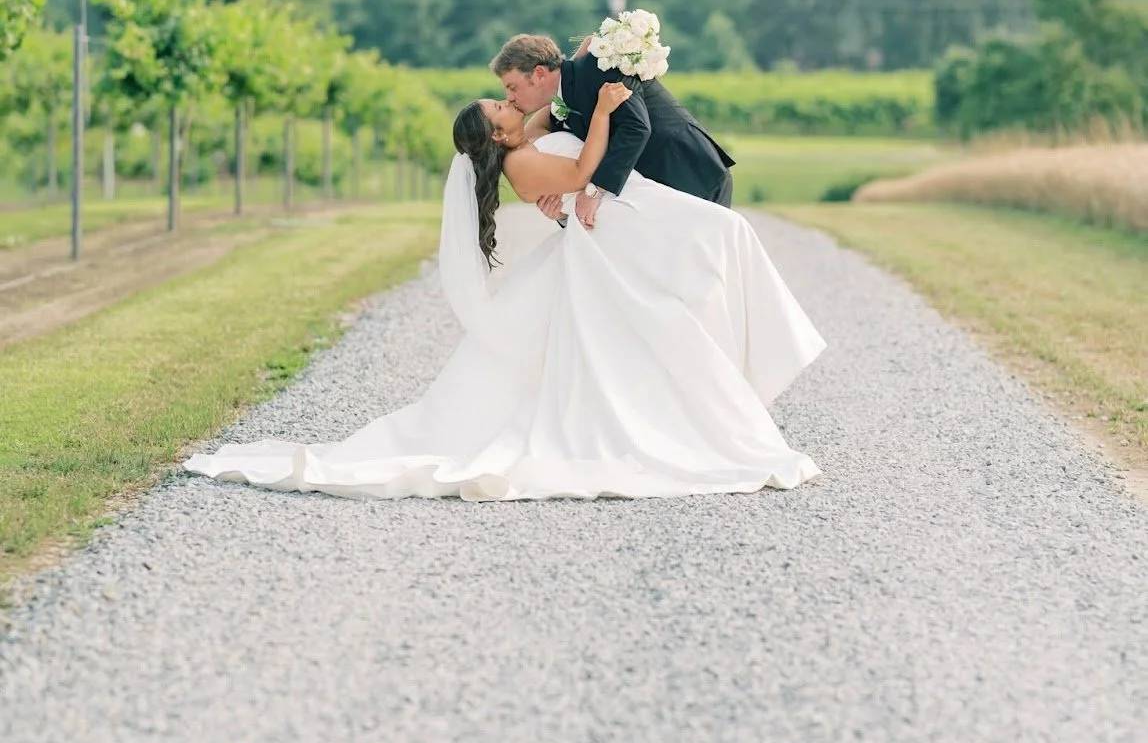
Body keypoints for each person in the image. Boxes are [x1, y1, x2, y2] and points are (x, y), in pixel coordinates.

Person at [184, 81, 824, 502]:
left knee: (680, 287)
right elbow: (577, 171)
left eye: (503, 98)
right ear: (495, 136)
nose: (507, 106)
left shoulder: (523, 141)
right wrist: (602, 113)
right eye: (500, 109)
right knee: (668, 293)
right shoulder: (520, 160)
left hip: (606, 228)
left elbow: (548, 116)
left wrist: (570, 85)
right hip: (601, 229)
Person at [492, 33, 735, 234]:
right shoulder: (559, 111)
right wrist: (561, 212)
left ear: (539, 74)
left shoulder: (598, 67)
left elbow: (636, 127)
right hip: (658, 200)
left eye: (512, 87)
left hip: (690, 171)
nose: (510, 97)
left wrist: (594, 191)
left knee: (707, 276)